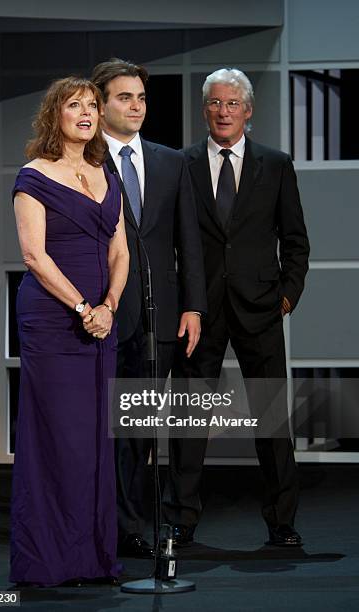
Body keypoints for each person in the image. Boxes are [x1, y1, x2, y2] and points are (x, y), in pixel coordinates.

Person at [165, 68, 310, 547]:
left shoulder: (276, 163)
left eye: (232, 104)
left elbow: (295, 241)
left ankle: (282, 521)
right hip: (198, 310)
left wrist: (286, 295)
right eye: (214, 103)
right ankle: (181, 519)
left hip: (261, 307)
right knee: (189, 417)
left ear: (248, 110)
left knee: (271, 419)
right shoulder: (181, 164)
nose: (223, 112)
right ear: (204, 109)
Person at [10, 76, 129, 586]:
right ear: (53, 115)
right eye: (74, 105)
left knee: (96, 442)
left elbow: (119, 250)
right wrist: (83, 307)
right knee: (61, 440)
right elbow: (34, 256)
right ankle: (49, 561)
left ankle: (95, 558)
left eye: (92, 106)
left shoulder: (107, 173)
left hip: (101, 324)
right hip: (55, 322)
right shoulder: (33, 175)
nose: (86, 113)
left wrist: (108, 306)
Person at [91, 58, 207, 558]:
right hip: (103, 315)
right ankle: (105, 526)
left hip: (161, 317)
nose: (136, 106)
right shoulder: (86, 161)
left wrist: (194, 307)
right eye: (124, 97)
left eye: (140, 97)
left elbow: (189, 240)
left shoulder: (170, 161)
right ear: (100, 103)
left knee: (138, 431)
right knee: (105, 430)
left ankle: (132, 528)